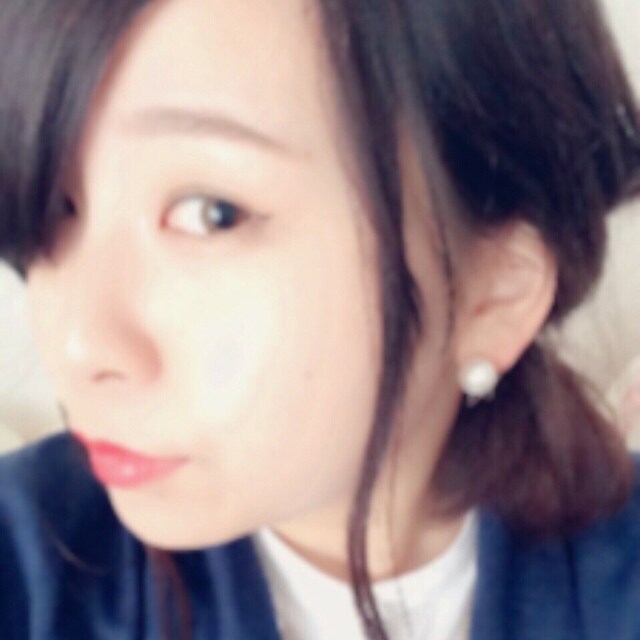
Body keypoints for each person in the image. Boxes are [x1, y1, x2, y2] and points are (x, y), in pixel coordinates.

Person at [1, 0, 639, 638]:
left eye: (213, 213)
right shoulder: (29, 570)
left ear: (495, 294)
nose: (80, 344)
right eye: (59, 205)